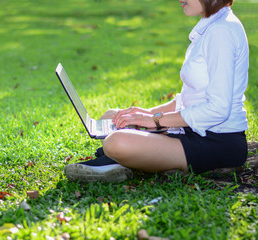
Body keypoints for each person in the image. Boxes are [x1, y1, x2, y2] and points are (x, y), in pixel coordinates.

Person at [64, 0, 249, 182]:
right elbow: (191, 97)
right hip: (192, 131)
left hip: (217, 142)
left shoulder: (221, 32)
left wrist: (155, 121)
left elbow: (218, 109)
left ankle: (121, 160)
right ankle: (122, 161)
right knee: (111, 117)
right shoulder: (212, 26)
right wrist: (148, 113)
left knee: (116, 142)